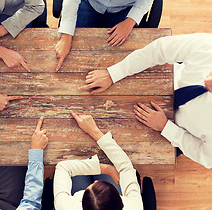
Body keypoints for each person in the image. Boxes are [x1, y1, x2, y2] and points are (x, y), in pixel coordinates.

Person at [79, 33, 212, 168]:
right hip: (160, 83)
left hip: (170, 132)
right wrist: (114, 73)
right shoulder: (208, 45)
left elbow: (206, 157)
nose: (208, 80)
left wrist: (165, 127)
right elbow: (161, 49)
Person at [54, 0, 163, 71]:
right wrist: (66, 35)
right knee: (72, 59)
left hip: (125, 7)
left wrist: (130, 21)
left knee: (117, 64)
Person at [53, 110, 143, 209]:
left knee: (76, 157)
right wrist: (94, 132)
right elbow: (126, 167)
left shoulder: (65, 207)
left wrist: (104, 169)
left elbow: (63, 167)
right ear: (122, 204)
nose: (96, 182)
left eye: (90, 187)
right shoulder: (133, 207)